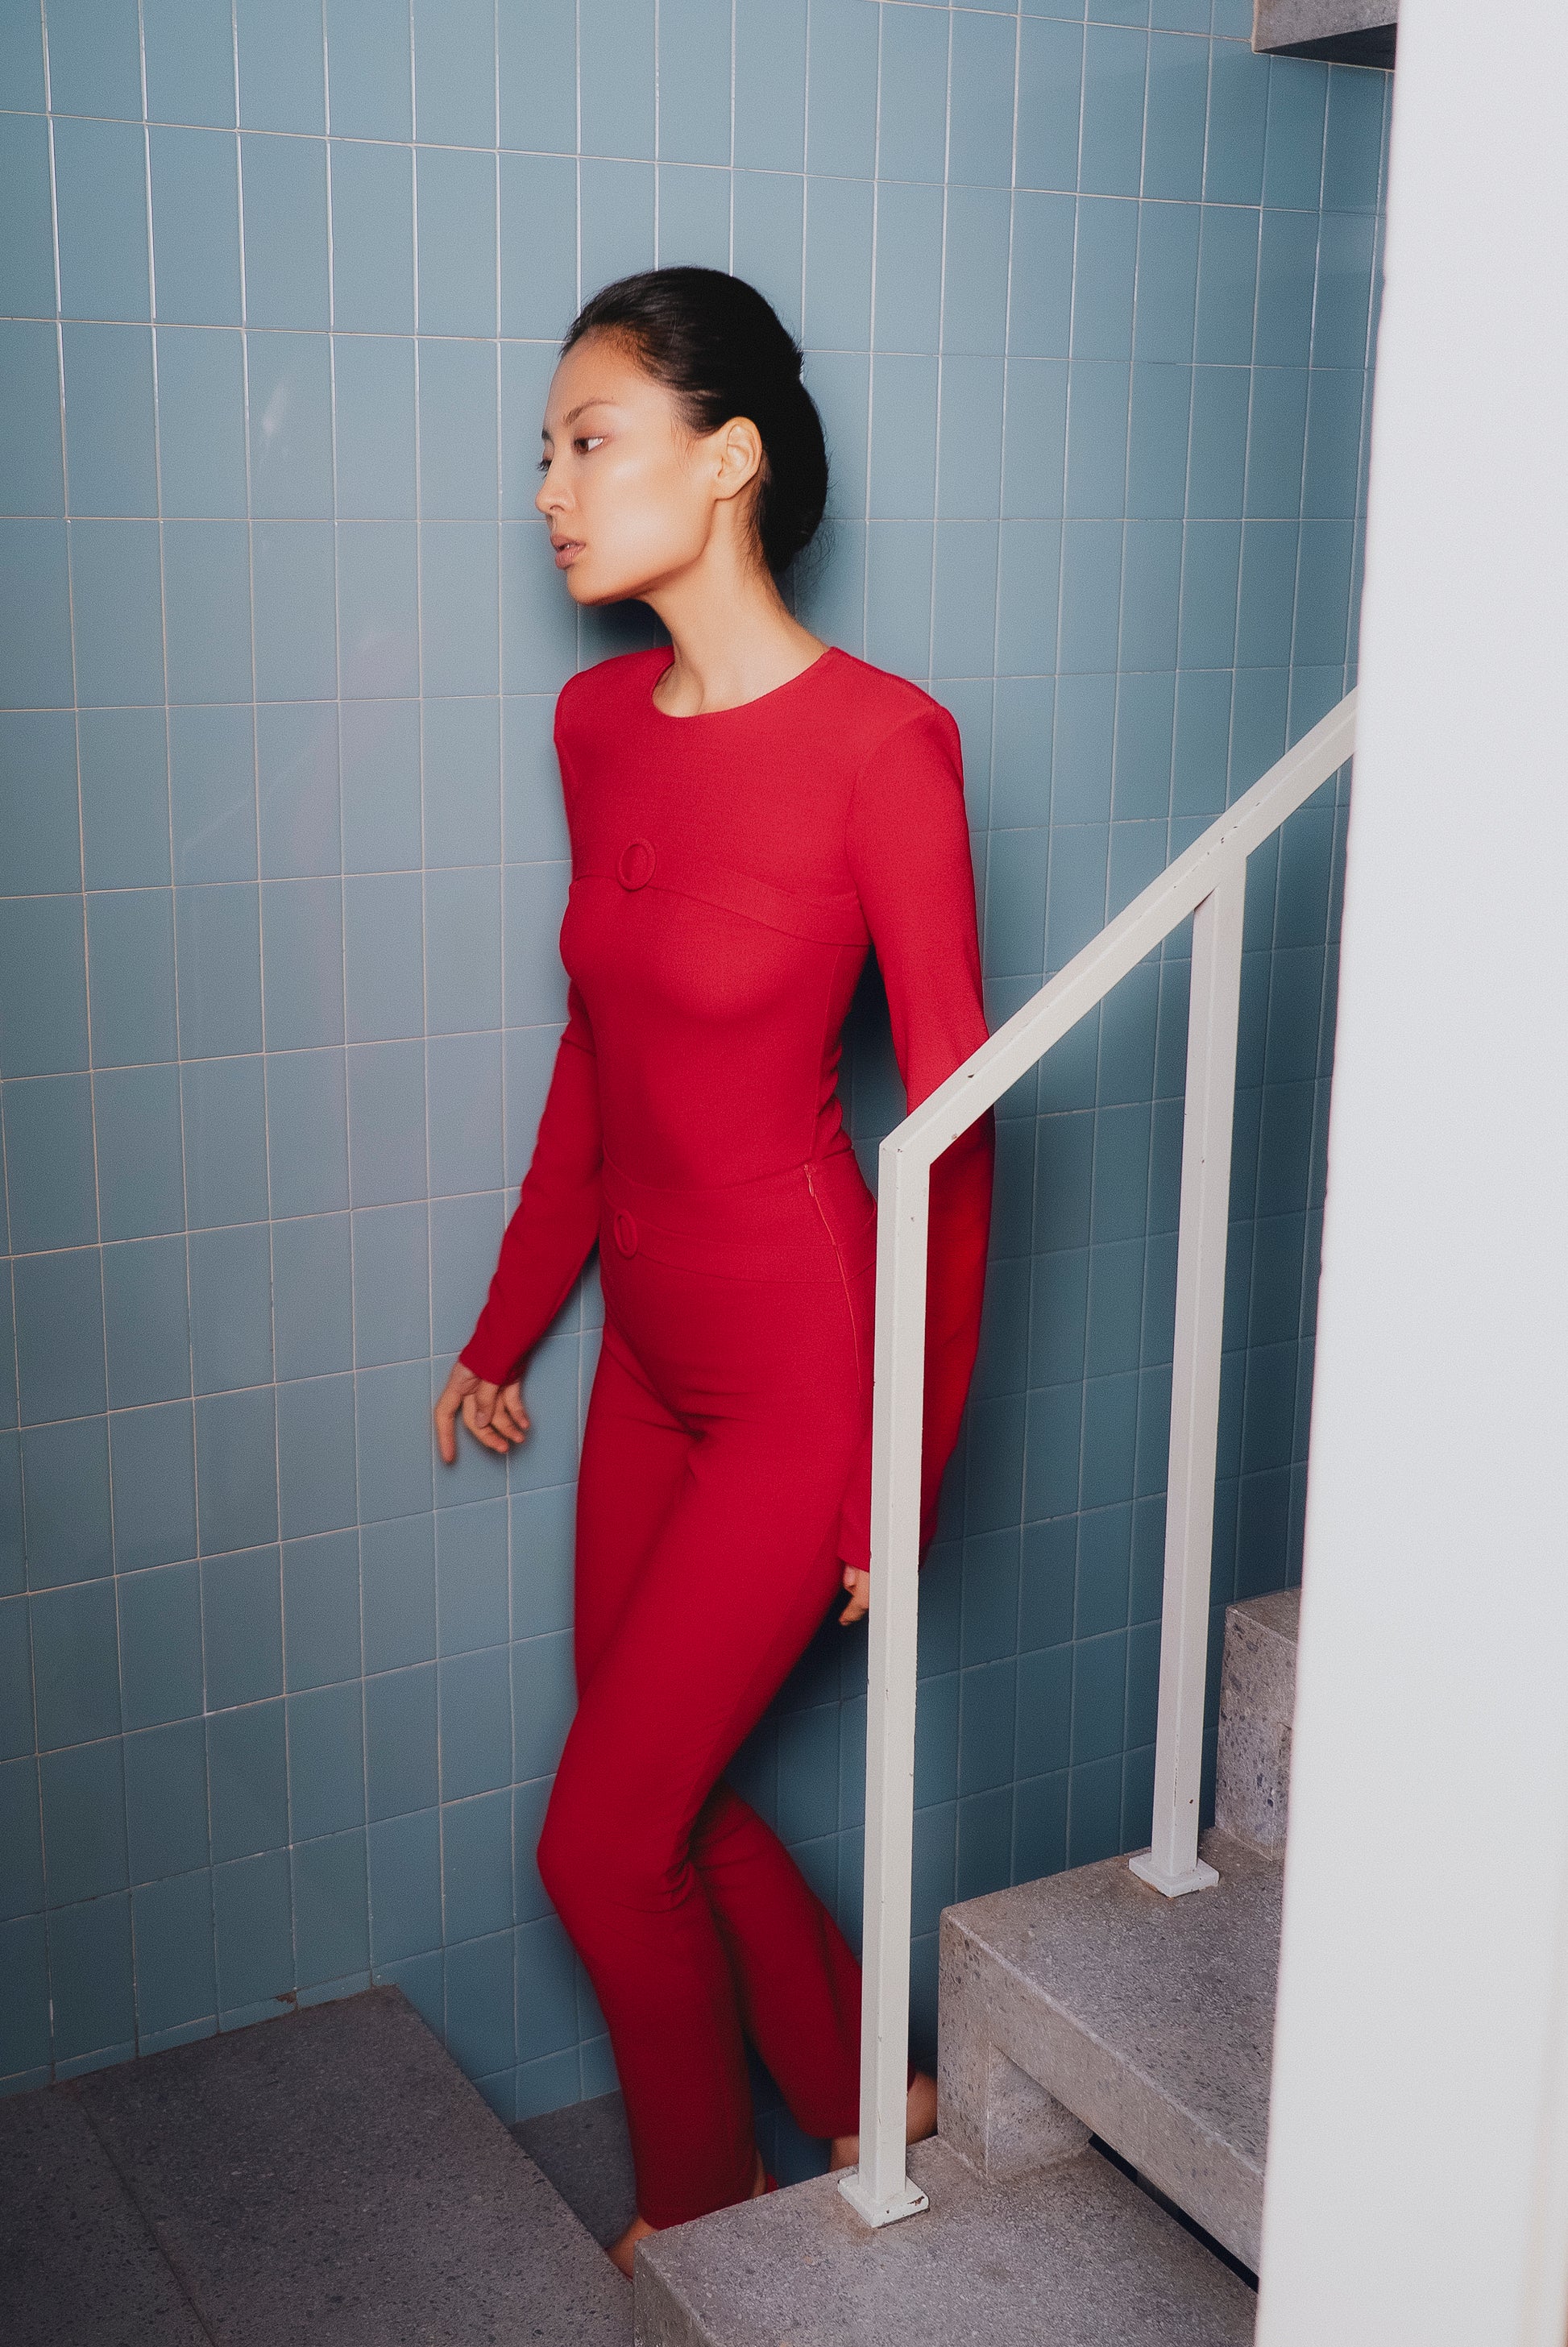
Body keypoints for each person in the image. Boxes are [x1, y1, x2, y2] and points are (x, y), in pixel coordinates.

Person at [432, 267, 995, 2279]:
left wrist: (892, 1480)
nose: (550, 489)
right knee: (648, 1780)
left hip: (799, 1372)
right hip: (646, 1357)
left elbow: (956, 1134)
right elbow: (596, 1054)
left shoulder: (883, 744)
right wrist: (509, 1321)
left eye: (590, 441)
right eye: (546, 451)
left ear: (728, 457)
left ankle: (705, 2211)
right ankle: (858, 2077)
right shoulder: (594, 723)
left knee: (597, 1840)